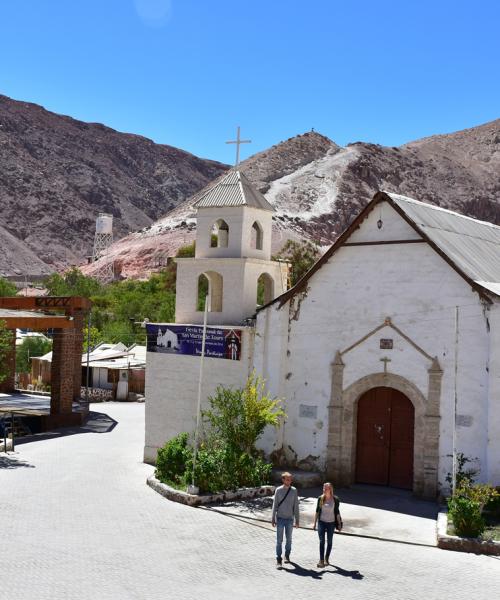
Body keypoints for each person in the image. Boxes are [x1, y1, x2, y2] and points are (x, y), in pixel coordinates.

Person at [271, 472, 300, 567]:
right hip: (280, 518)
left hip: (290, 519)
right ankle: (278, 558)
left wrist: (297, 520)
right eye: (288, 479)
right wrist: (272, 518)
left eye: (290, 479)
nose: (290, 481)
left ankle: (287, 555)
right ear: (283, 480)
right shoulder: (278, 490)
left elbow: (296, 506)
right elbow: (274, 505)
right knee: (279, 540)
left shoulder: (294, 490)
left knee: (289, 539)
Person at [313, 482, 341, 568]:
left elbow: (337, 512)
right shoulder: (320, 498)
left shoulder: (335, 499)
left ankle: (326, 558)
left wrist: (339, 524)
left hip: (331, 523)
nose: (324, 490)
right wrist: (314, 523)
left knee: (329, 542)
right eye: (323, 488)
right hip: (321, 522)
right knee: (322, 541)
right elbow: (317, 511)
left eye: (326, 488)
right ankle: (321, 561)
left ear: (330, 489)